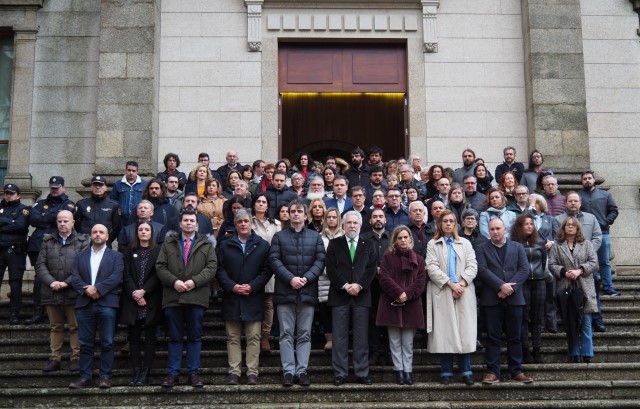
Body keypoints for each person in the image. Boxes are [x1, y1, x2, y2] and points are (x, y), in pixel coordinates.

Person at [156, 209, 217, 388]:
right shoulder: (169, 243)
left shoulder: (206, 244)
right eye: (186, 220)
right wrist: (174, 282)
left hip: (196, 296)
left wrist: (194, 282)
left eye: (192, 220)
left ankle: (193, 374)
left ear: (197, 224)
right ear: (180, 224)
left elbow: (212, 267)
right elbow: (160, 266)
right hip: (173, 297)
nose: (189, 223)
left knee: (194, 337)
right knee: (174, 337)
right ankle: (172, 374)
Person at [269, 199, 325, 387]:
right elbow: (274, 260)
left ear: (305, 215)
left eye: (299, 211)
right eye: (292, 211)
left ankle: (301, 371)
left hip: (307, 292)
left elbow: (320, 261)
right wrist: (290, 279)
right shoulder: (279, 237)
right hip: (285, 291)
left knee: (304, 334)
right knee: (285, 333)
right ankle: (288, 371)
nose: (295, 214)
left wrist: (306, 278)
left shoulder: (315, 237)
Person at [217, 209, 271, 385]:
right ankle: (234, 372)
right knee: (232, 337)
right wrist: (232, 286)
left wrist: (253, 286)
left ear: (251, 222)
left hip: (253, 296)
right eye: (239, 222)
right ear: (235, 223)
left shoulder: (262, 245)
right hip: (231, 297)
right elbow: (219, 269)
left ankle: (252, 372)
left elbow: (267, 270)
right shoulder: (225, 245)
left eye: (246, 221)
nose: (243, 224)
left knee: (254, 337)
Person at [476, 218, 533, 385]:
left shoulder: (517, 247)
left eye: (498, 228)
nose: (495, 231)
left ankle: (516, 370)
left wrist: (510, 288)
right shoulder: (481, 248)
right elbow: (482, 270)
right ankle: (493, 371)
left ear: (505, 229)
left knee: (515, 337)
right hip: (492, 299)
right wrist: (501, 285)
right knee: (493, 337)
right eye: (492, 229)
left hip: (514, 299)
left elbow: (524, 269)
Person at [426, 210, 478, 386]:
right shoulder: (433, 244)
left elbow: (473, 265)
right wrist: (451, 284)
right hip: (444, 290)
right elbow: (431, 267)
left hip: (463, 291)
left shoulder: (465, 243)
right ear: (440, 224)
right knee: (445, 332)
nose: (448, 224)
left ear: (456, 224)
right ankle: (446, 371)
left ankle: (466, 370)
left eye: (451, 221)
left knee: (465, 331)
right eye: (445, 221)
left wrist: (461, 284)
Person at [69, 224, 124, 389]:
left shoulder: (116, 256)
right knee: (85, 343)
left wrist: (98, 289)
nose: (98, 234)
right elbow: (74, 277)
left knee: (107, 342)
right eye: (94, 232)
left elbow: (117, 277)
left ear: (107, 236)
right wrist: (87, 290)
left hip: (107, 303)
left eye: (101, 232)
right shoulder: (80, 256)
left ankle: (105, 377)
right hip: (85, 304)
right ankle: (85, 377)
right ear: (90, 235)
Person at [326, 211, 377, 386]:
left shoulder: (368, 244)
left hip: (362, 296)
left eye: (355, 223)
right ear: (343, 225)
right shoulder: (334, 244)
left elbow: (371, 269)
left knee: (361, 337)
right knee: (339, 338)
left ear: (360, 226)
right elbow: (331, 269)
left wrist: (359, 285)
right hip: (340, 295)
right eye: (349, 223)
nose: (352, 225)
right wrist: (345, 285)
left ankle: (362, 372)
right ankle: (340, 373)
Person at [36, 210, 89, 372]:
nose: (62, 224)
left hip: (73, 291)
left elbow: (83, 266)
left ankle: (76, 358)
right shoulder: (47, 240)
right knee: (55, 327)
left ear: (73, 222)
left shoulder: (82, 241)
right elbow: (40, 264)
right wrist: (52, 282)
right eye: (59, 221)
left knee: (75, 326)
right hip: (51, 291)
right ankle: (55, 358)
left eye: (66, 221)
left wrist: (66, 283)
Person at [376, 225, 426, 385]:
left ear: (411, 239)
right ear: (395, 240)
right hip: (391, 303)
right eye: (400, 238)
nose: (403, 240)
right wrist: (399, 293)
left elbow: (420, 281)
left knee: (408, 342)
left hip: (411, 305)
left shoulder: (419, 259)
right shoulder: (387, 257)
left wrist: (407, 294)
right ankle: (399, 371)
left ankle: (408, 371)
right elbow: (384, 278)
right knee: (394, 341)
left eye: (406, 237)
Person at [27, 176, 76, 325]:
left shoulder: (70, 204)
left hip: (60, 244)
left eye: (57, 187)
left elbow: (66, 219)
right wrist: (54, 216)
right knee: (40, 278)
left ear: (63, 187)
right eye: (52, 187)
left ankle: (60, 312)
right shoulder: (40, 203)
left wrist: (45, 216)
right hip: (37, 244)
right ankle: (37, 312)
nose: (54, 190)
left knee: (62, 275)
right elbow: (33, 219)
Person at [549, 217, 599, 363]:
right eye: (567, 225)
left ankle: (587, 353)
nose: (570, 227)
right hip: (566, 287)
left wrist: (580, 270)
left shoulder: (587, 244)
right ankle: (574, 353)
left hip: (584, 286)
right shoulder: (557, 246)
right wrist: (564, 272)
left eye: (573, 225)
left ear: (577, 228)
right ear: (563, 228)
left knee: (586, 321)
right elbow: (552, 264)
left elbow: (594, 262)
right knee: (570, 322)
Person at [121, 221, 162, 386]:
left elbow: (159, 273)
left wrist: (144, 291)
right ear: (136, 233)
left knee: (151, 338)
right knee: (135, 338)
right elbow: (126, 275)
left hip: (151, 299)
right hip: (133, 300)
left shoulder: (159, 251)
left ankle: (145, 373)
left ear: (151, 233)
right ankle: (136, 372)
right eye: (140, 230)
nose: (143, 232)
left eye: (146, 230)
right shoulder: (129, 252)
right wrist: (136, 294)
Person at [556, 192, 604, 332]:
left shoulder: (591, 218)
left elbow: (597, 237)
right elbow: (557, 239)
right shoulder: (558, 220)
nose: (573, 203)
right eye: (570, 201)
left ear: (580, 203)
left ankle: (597, 319)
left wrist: (587, 252)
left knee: (592, 294)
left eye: (575, 201)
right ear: (566, 203)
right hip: (567, 267)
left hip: (587, 265)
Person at [510, 213, 547, 364]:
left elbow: (544, 262)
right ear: (520, 226)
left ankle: (537, 349)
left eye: (531, 224)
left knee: (537, 318)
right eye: (526, 224)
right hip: (522, 283)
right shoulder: (514, 243)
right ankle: (525, 350)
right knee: (524, 318)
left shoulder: (539, 242)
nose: (529, 227)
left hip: (539, 282)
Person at [578, 170, 620, 296]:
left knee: (604, 261)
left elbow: (614, 210)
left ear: (594, 180)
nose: (587, 180)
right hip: (585, 235)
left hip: (603, 233)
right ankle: (591, 287)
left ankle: (608, 287)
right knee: (587, 262)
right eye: (585, 178)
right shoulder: (578, 196)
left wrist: (606, 222)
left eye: (589, 178)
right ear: (582, 181)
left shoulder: (605, 195)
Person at [251, 193, 282, 353]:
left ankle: (265, 337)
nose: (261, 204)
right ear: (254, 204)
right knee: (255, 302)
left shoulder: (276, 224)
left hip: (270, 266)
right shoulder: (248, 222)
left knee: (269, 303)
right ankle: (253, 336)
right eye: (258, 201)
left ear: (268, 206)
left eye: (264, 202)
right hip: (252, 266)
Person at [0, 183, 30, 325]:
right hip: (1, 248)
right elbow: (14, 225)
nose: (8, 195)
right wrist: (10, 221)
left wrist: (3, 222)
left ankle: (14, 312)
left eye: (11, 193)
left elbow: (20, 226)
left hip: (15, 249)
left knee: (15, 282)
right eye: (6, 193)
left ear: (18, 195)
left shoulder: (23, 209)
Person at [318, 208, 344, 351]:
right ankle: (329, 338)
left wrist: (339, 275)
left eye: (334, 217)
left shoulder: (344, 236)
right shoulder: (319, 238)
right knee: (325, 309)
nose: (332, 219)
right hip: (324, 279)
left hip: (341, 279)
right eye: (329, 217)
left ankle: (340, 337)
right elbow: (319, 258)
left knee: (340, 309)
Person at [74, 175, 122, 248]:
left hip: (105, 244)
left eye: (100, 185)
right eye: (95, 185)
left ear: (105, 188)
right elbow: (77, 226)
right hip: (85, 245)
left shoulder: (113, 206)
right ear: (91, 187)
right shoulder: (81, 205)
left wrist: (107, 239)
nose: (98, 187)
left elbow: (116, 228)